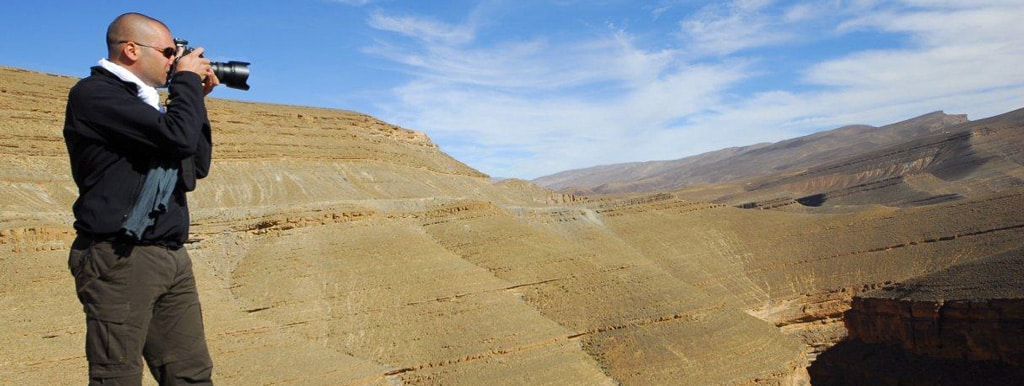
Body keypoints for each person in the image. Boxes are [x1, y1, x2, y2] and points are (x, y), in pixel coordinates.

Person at [63, 12, 219, 385]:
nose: (173, 60)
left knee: (191, 374)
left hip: (169, 256)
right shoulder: (95, 94)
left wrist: (195, 97)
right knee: (117, 376)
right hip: (120, 257)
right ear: (131, 49)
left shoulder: (149, 104)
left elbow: (194, 164)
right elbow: (177, 138)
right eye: (169, 52)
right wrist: (184, 82)